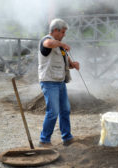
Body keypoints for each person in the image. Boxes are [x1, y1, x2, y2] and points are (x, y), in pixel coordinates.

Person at [38, 18, 80, 147]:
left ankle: (67, 137)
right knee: (53, 112)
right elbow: (49, 44)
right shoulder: (46, 40)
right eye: (63, 32)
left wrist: (73, 64)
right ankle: (44, 140)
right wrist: (62, 44)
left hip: (60, 82)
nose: (64, 35)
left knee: (65, 109)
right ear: (55, 30)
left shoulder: (59, 46)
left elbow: (65, 64)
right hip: (49, 82)